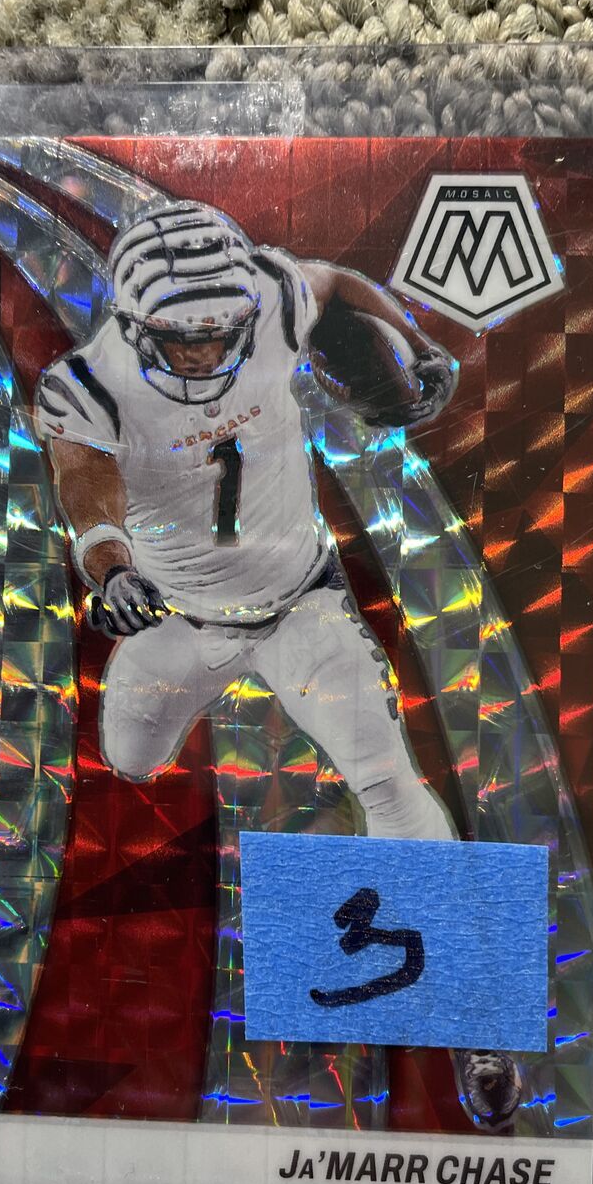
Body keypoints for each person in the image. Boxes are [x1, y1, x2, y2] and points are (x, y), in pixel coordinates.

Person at [33, 200, 522, 1129]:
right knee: (129, 758)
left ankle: (475, 1014)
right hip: (184, 622)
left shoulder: (269, 293)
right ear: (133, 326)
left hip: (303, 606)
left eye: (222, 332)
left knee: (389, 784)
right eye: (183, 338)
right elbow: (83, 479)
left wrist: (411, 338)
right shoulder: (90, 384)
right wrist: (109, 564)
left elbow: (331, 283)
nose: (207, 352)